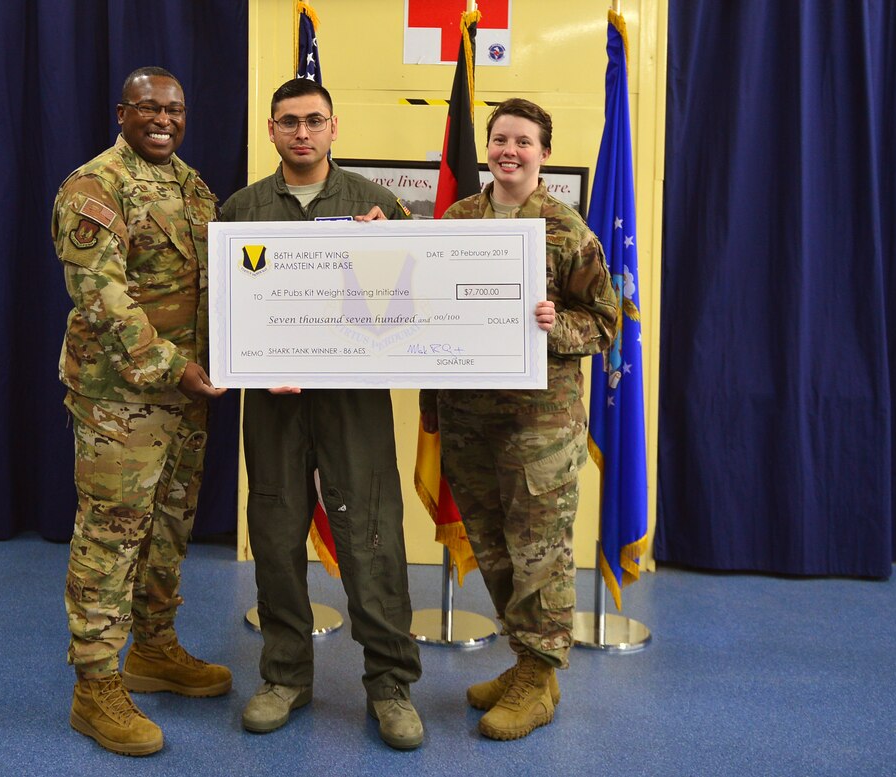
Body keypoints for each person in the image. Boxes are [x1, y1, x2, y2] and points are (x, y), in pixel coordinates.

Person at [219, 78, 424, 751]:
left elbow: (420, 299)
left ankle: (390, 682)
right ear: (271, 130)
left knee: (370, 533)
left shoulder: (376, 203)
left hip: (353, 401)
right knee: (275, 531)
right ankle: (284, 676)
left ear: (335, 127)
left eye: (313, 121)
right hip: (273, 404)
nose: (301, 133)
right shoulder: (242, 210)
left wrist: (394, 245)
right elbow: (221, 309)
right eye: (288, 122)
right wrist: (242, 360)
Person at [420, 98, 618, 741]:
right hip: (469, 416)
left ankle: (537, 678)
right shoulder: (458, 219)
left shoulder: (566, 229)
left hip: (539, 423)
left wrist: (554, 324)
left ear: (544, 154)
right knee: (495, 548)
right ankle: (528, 661)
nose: (509, 150)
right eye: (500, 139)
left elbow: (607, 323)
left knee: (540, 554)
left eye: (523, 141)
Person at [53, 66, 230, 757]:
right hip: (121, 399)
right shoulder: (94, 186)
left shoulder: (193, 187)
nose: (163, 118)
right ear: (121, 112)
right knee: (110, 537)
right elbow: (102, 298)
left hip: (186, 397)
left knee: (169, 528)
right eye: (149, 107)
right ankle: (95, 686)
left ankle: (153, 650)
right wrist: (174, 368)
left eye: (175, 109)